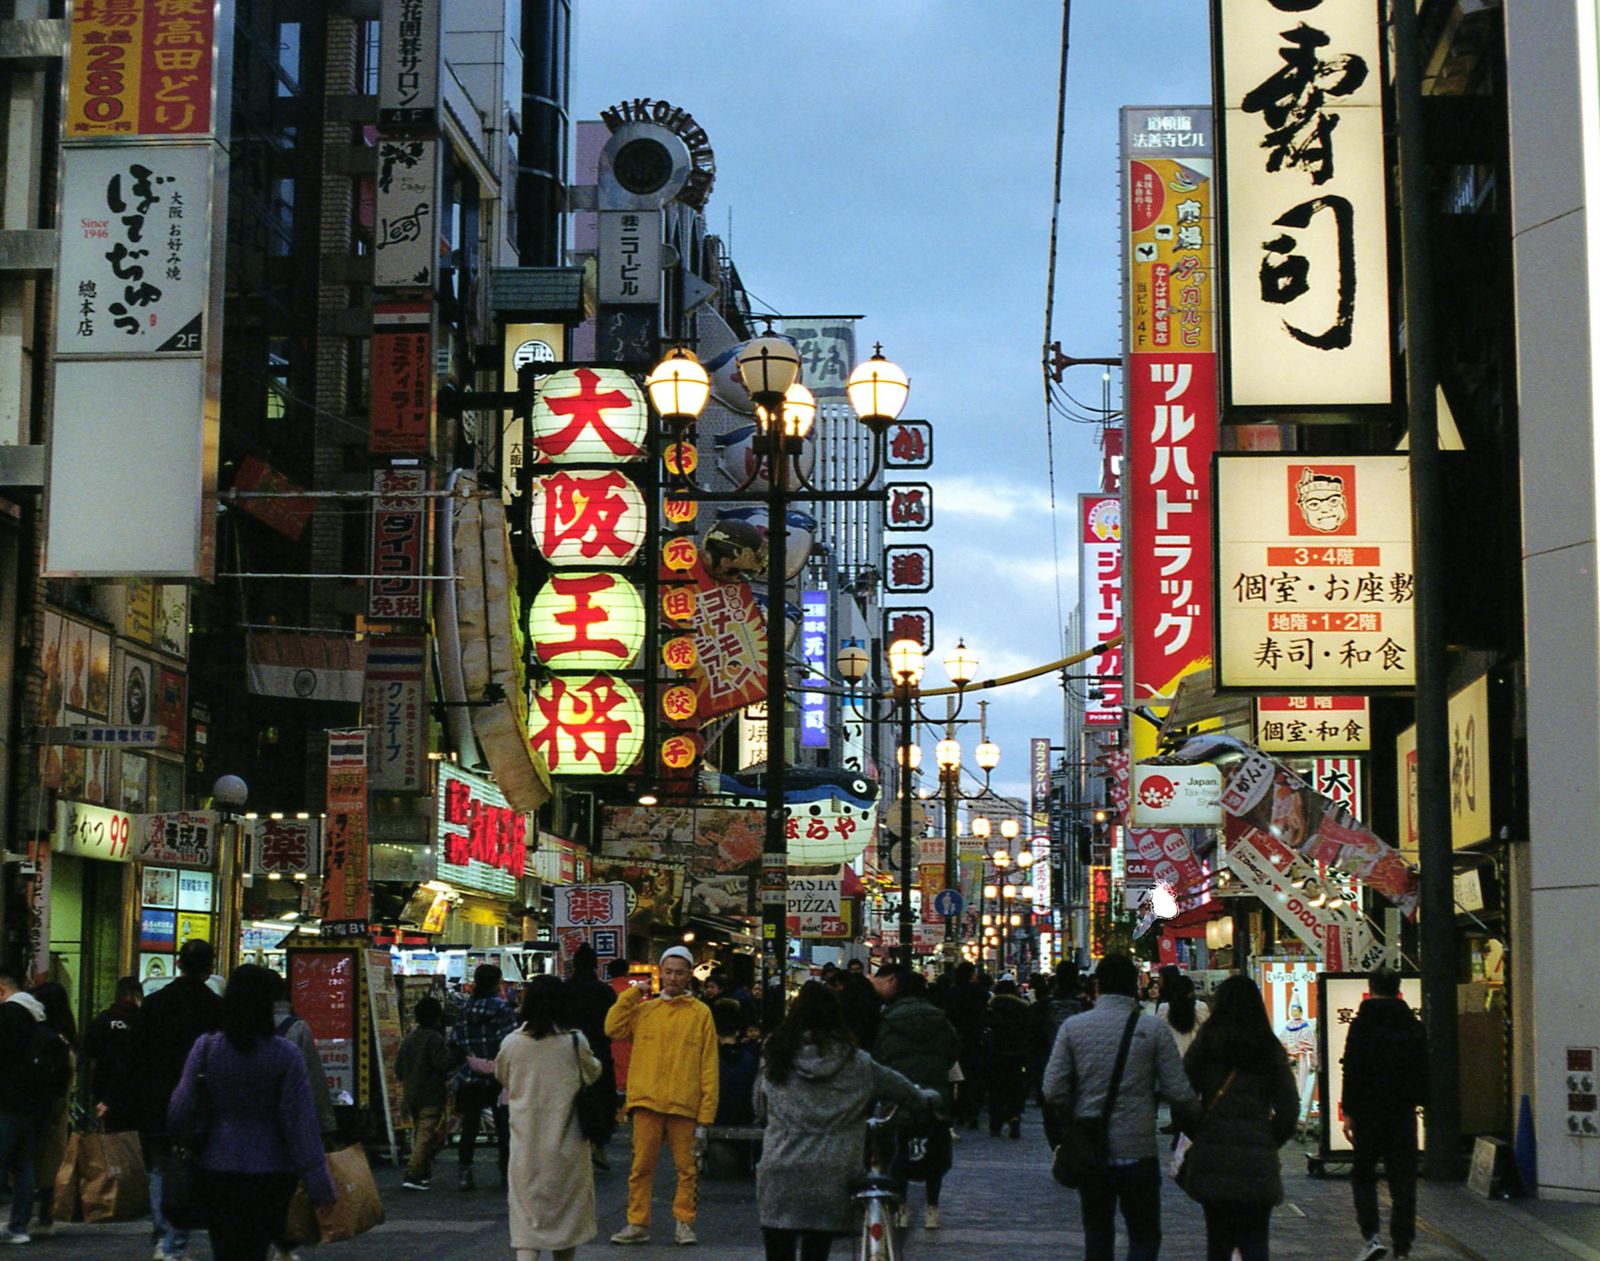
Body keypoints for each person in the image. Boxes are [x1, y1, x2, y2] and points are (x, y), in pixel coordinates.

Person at [756, 981, 938, 1261]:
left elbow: (759, 1106)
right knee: (816, 1251)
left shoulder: (775, 1055)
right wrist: (926, 1100)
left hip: (780, 1168)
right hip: (834, 1170)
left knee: (778, 1251)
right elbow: (904, 1090)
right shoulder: (857, 1062)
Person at [166, 964, 337, 1261]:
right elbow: (300, 1127)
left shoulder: (205, 1049)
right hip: (271, 1172)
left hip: (215, 1167)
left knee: (225, 1249)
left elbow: (179, 1111)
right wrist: (319, 1184)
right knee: (255, 1248)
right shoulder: (285, 1055)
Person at [1043, 953, 1199, 1261]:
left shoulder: (1074, 1028)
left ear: (1098, 985)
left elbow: (1051, 1090)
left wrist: (1075, 1113)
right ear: (1135, 986)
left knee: (1098, 1233)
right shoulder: (1153, 1030)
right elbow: (1179, 1092)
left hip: (1091, 1150)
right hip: (1138, 1149)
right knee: (1144, 1234)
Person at [1178, 975, 1300, 1261]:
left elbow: (1182, 1095)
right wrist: (1268, 1139)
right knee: (1256, 1241)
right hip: (1258, 1160)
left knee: (1218, 1243)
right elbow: (1290, 1108)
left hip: (1214, 1157)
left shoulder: (1207, 1042)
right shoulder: (1268, 1047)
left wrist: (1200, 1131)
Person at [603, 946, 719, 1246]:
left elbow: (709, 1066)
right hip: (647, 1102)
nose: (673, 977)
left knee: (687, 1169)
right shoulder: (645, 1010)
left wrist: (706, 1114)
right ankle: (637, 1222)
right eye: (668, 971)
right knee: (640, 1168)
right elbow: (612, 1027)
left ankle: (684, 1222)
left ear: (688, 974)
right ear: (660, 973)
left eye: (679, 972)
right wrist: (631, 994)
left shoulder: (701, 1014)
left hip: (685, 1104)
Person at [495, 975, 602, 1261]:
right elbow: (593, 1072)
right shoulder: (574, 1042)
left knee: (528, 1226)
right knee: (565, 1225)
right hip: (567, 1148)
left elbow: (502, 1076)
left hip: (525, 1150)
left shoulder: (512, 1044)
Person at [136, 937, 223, 1261]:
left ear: (178, 964)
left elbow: (139, 1055)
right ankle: (177, 1237)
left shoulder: (155, 1003)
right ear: (210, 968)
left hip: (157, 1097)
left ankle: (163, 1234)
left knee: (159, 1167)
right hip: (200, 1101)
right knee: (192, 1166)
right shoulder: (216, 1007)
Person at [1342, 969, 1428, 1261]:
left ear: (1371, 988)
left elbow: (1351, 1070)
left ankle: (1372, 1237)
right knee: (1403, 1180)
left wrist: (1349, 1112)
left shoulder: (1361, 1026)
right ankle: (1402, 1247)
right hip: (1402, 1113)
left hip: (1367, 1113)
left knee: (1364, 1175)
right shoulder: (1413, 1025)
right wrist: (1422, 1102)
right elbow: (1423, 1069)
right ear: (1398, 990)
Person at [872, 965, 960, 1230]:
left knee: (898, 1149)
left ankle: (902, 1208)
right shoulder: (940, 1018)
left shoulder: (888, 1019)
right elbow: (953, 1049)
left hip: (899, 1091)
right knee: (935, 1148)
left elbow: (879, 1054)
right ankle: (932, 1209)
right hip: (934, 1092)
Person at [450, 962, 516, 1191]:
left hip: (470, 1076)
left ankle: (465, 1173)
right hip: (498, 1077)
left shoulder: (465, 1009)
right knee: (504, 1129)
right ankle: (505, 1173)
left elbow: (456, 1040)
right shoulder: (502, 1008)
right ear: (497, 983)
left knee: (469, 1127)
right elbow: (508, 1042)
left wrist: (472, 1058)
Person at [560, 943, 618, 1169]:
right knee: (602, 1098)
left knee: (571, 1100)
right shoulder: (605, 991)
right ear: (595, 965)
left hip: (569, 1051)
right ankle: (598, 1142)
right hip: (600, 1050)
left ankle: (575, 1147)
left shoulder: (564, 991)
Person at [0, 969, 47, 1244]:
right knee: (24, 1164)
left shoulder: (6, 1016)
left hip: (6, 1100)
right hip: (32, 1103)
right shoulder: (37, 1016)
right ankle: (19, 1226)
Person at [27, 981, 76, 1239]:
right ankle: (44, 1215)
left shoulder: (46, 1038)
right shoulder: (66, 1035)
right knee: (48, 1165)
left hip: (49, 1111)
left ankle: (41, 1217)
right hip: (59, 1111)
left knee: (38, 1164)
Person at [397, 996, 455, 1190]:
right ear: (437, 1017)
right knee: (425, 1134)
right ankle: (412, 1173)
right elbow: (442, 1064)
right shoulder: (434, 1038)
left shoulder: (409, 1038)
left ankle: (423, 1173)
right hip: (430, 1093)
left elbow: (398, 1068)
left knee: (420, 1133)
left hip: (411, 1093)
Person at [270, 975, 335, 1142]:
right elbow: (314, 1078)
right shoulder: (296, 1028)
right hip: (288, 1121)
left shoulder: (220, 1039)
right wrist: (325, 1123)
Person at [84, 976, 144, 1133]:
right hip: (137, 1097)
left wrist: (99, 1096)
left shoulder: (102, 1021)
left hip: (104, 1095)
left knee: (110, 1144)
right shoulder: (143, 1022)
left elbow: (90, 1057)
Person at [941, 963, 989, 1130]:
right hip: (974, 1037)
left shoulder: (951, 994)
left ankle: (957, 1110)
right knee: (973, 1076)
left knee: (955, 1077)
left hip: (955, 1038)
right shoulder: (980, 993)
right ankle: (972, 1112)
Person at [985, 977, 1032, 1139]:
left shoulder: (991, 1007)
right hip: (1017, 1052)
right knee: (1015, 1086)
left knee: (995, 1087)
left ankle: (995, 1122)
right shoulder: (1024, 1009)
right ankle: (1014, 1116)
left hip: (995, 1053)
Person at [712, 999, 760, 1127]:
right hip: (746, 1122)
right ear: (738, 1031)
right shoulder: (750, 1059)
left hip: (715, 1121)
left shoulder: (709, 1060)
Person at [1154, 965, 1209, 1060]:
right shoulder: (1201, 1007)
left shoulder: (1164, 1008)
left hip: (1172, 1058)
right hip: (1196, 1058)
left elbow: (1158, 1034)